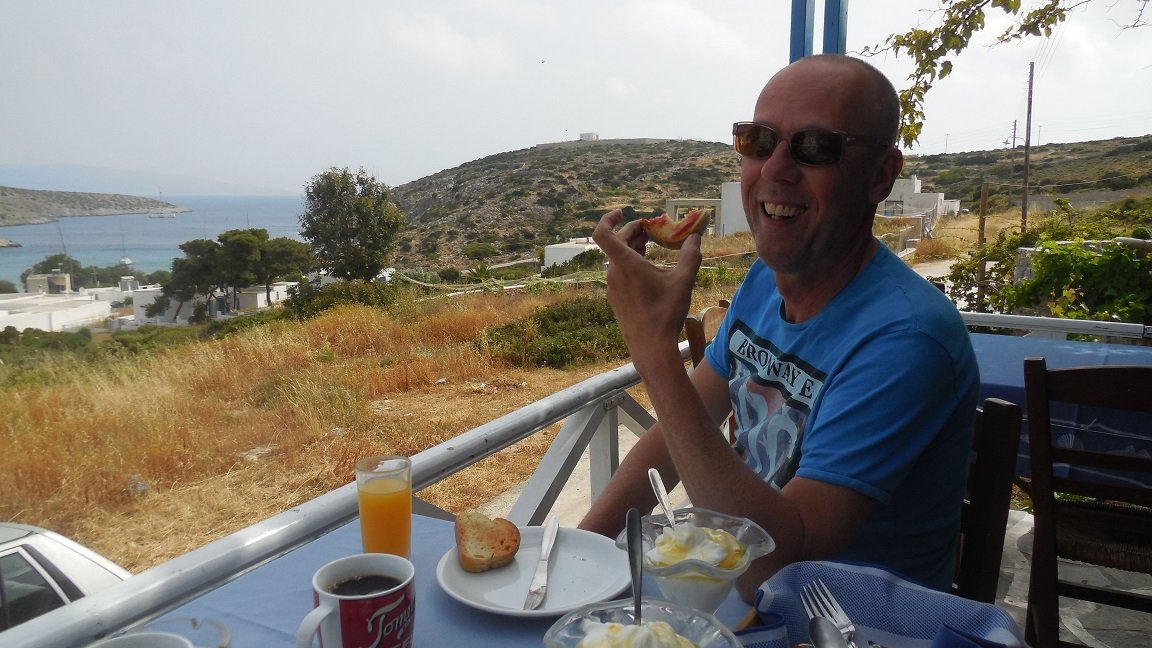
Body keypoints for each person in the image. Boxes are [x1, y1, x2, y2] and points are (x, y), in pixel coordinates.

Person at [578, 54, 979, 601]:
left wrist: (653, 350)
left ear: (881, 175)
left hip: (851, 623)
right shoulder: (764, 282)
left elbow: (776, 564)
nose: (775, 169)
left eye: (815, 147)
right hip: (744, 601)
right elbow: (673, 436)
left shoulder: (907, 340)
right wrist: (578, 555)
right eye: (759, 141)